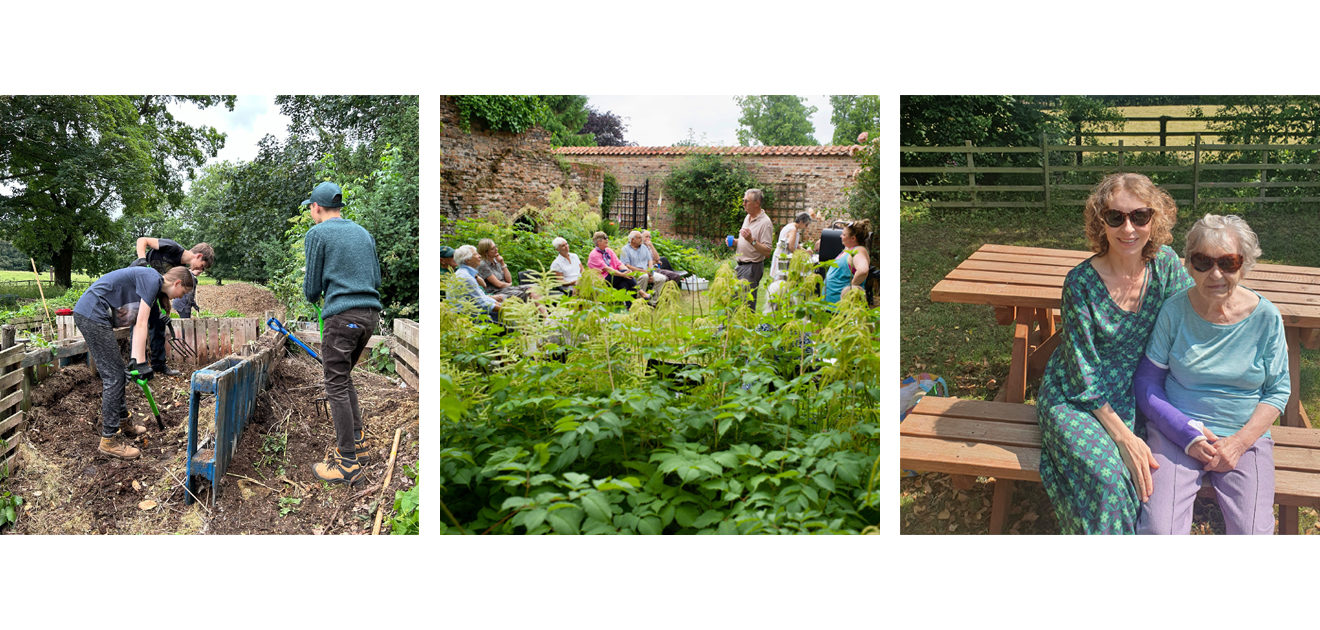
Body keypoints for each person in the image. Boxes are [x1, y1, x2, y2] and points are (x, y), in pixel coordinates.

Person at [1035, 173, 1193, 534]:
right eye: (1115, 217)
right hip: (1077, 397)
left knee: (1143, 480)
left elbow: (1192, 319)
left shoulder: (1166, 265)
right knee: (1110, 482)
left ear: (1155, 220)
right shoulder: (1081, 283)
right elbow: (1082, 373)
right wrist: (1124, 437)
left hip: (1139, 390)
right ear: (1099, 222)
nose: (1129, 228)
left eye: (1140, 216)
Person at [1134, 215, 1288, 535]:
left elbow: (1277, 391)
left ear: (1244, 265)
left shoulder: (1266, 318)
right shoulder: (1174, 311)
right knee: (1159, 531)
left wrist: (1239, 443)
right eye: (1203, 262)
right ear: (1189, 265)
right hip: (1178, 430)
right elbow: (1147, 383)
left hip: (1244, 434)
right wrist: (1185, 432)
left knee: (1253, 534)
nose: (1215, 274)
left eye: (1228, 262)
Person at [301, 181, 383, 486]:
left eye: (311, 207)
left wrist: (325, 292)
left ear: (316, 207)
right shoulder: (363, 233)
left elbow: (311, 290)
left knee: (334, 382)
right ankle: (358, 442)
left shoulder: (317, 234)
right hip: (369, 315)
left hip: (342, 317)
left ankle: (347, 462)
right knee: (344, 377)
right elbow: (375, 277)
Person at [73, 266, 195, 459]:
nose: (179, 297)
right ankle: (108, 441)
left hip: (96, 315)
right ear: (177, 283)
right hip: (92, 314)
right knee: (113, 377)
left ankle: (122, 421)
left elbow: (143, 322)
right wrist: (140, 362)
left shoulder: (154, 290)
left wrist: (135, 360)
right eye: (183, 292)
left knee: (119, 374)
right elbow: (140, 323)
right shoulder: (152, 279)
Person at [132, 238, 215, 376]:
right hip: (137, 283)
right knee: (137, 323)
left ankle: (158, 365)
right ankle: (137, 367)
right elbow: (143, 240)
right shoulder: (172, 247)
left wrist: (165, 310)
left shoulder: (180, 269)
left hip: (154, 290)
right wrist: (142, 260)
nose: (201, 269)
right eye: (202, 266)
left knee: (159, 323)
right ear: (199, 256)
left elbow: (169, 286)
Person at [733, 188, 774, 310]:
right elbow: (745, 241)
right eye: (743, 200)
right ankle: (728, 327)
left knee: (746, 304)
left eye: (746, 201)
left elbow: (767, 251)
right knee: (734, 300)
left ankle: (747, 328)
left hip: (752, 267)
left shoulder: (765, 223)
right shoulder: (748, 217)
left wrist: (751, 240)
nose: (743, 204)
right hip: (740, 265)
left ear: (757, 203)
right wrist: (735, 242)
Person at [587, 232, 649, 299]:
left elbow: (619, 263)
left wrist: (628, 271)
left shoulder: (608, 251)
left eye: (607, 238)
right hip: (603, 279)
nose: (607, 240)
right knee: (626, 275)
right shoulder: (594, 255)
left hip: (615, 276)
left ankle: (630, 306)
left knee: (624, 285)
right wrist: (622, 274)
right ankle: (640, 291)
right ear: (599, 242)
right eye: (605, 239)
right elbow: (608, 269)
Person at [823, 219, 872, 303]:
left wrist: (851, 288)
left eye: (844, 234)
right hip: (831, 304)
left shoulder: (858, 250)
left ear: (853, 238)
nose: (840, 236)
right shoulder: (849, 249)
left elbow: (863, 270)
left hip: (842, 306)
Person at [453, 244, 504, 318]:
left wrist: (499, 304)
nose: (479, 256)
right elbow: (482, 304)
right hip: (470, 318)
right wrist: (506, 309)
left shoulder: (465, 273)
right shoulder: (466, 277)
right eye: (476, 254)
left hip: (472, 312)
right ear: (468, 260)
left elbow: (481, 297)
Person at [620, 230, 667, 297]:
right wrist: (644, 271)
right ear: (633, 240)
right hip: (634, 273)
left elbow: (650, 260)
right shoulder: (625, 249)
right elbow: (627, 266)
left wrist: (650, 271)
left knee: (662, 278)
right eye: (639, 238)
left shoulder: (644, 247)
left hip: (646, 272)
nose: (641, 239)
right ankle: (640, 301)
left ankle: (652, 302)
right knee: (645, 276)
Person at [770, 212, 813, 283]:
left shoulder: (792, 227)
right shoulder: (793, 229)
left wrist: (806, 251)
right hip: (783, 257)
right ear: (801, 222)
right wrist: (802, 254)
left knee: (781, 281)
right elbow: (791, 247)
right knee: (780, 281)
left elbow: (797, 245)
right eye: (806, 224)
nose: (806, 227)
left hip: (783, 256)